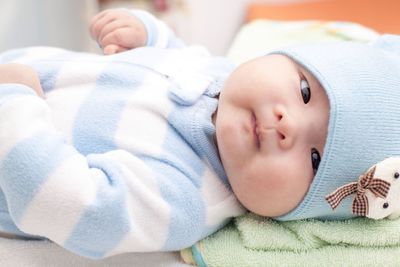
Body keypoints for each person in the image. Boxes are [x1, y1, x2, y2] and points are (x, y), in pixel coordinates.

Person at [0, 8, 399, 259]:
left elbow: (76, 207)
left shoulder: (185, 197)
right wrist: (147, 37)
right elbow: (178, 55)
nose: (288, 125)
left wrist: (16, 105)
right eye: (306, 91)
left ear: (294, 211)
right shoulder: (223, 74)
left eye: (315, 159)